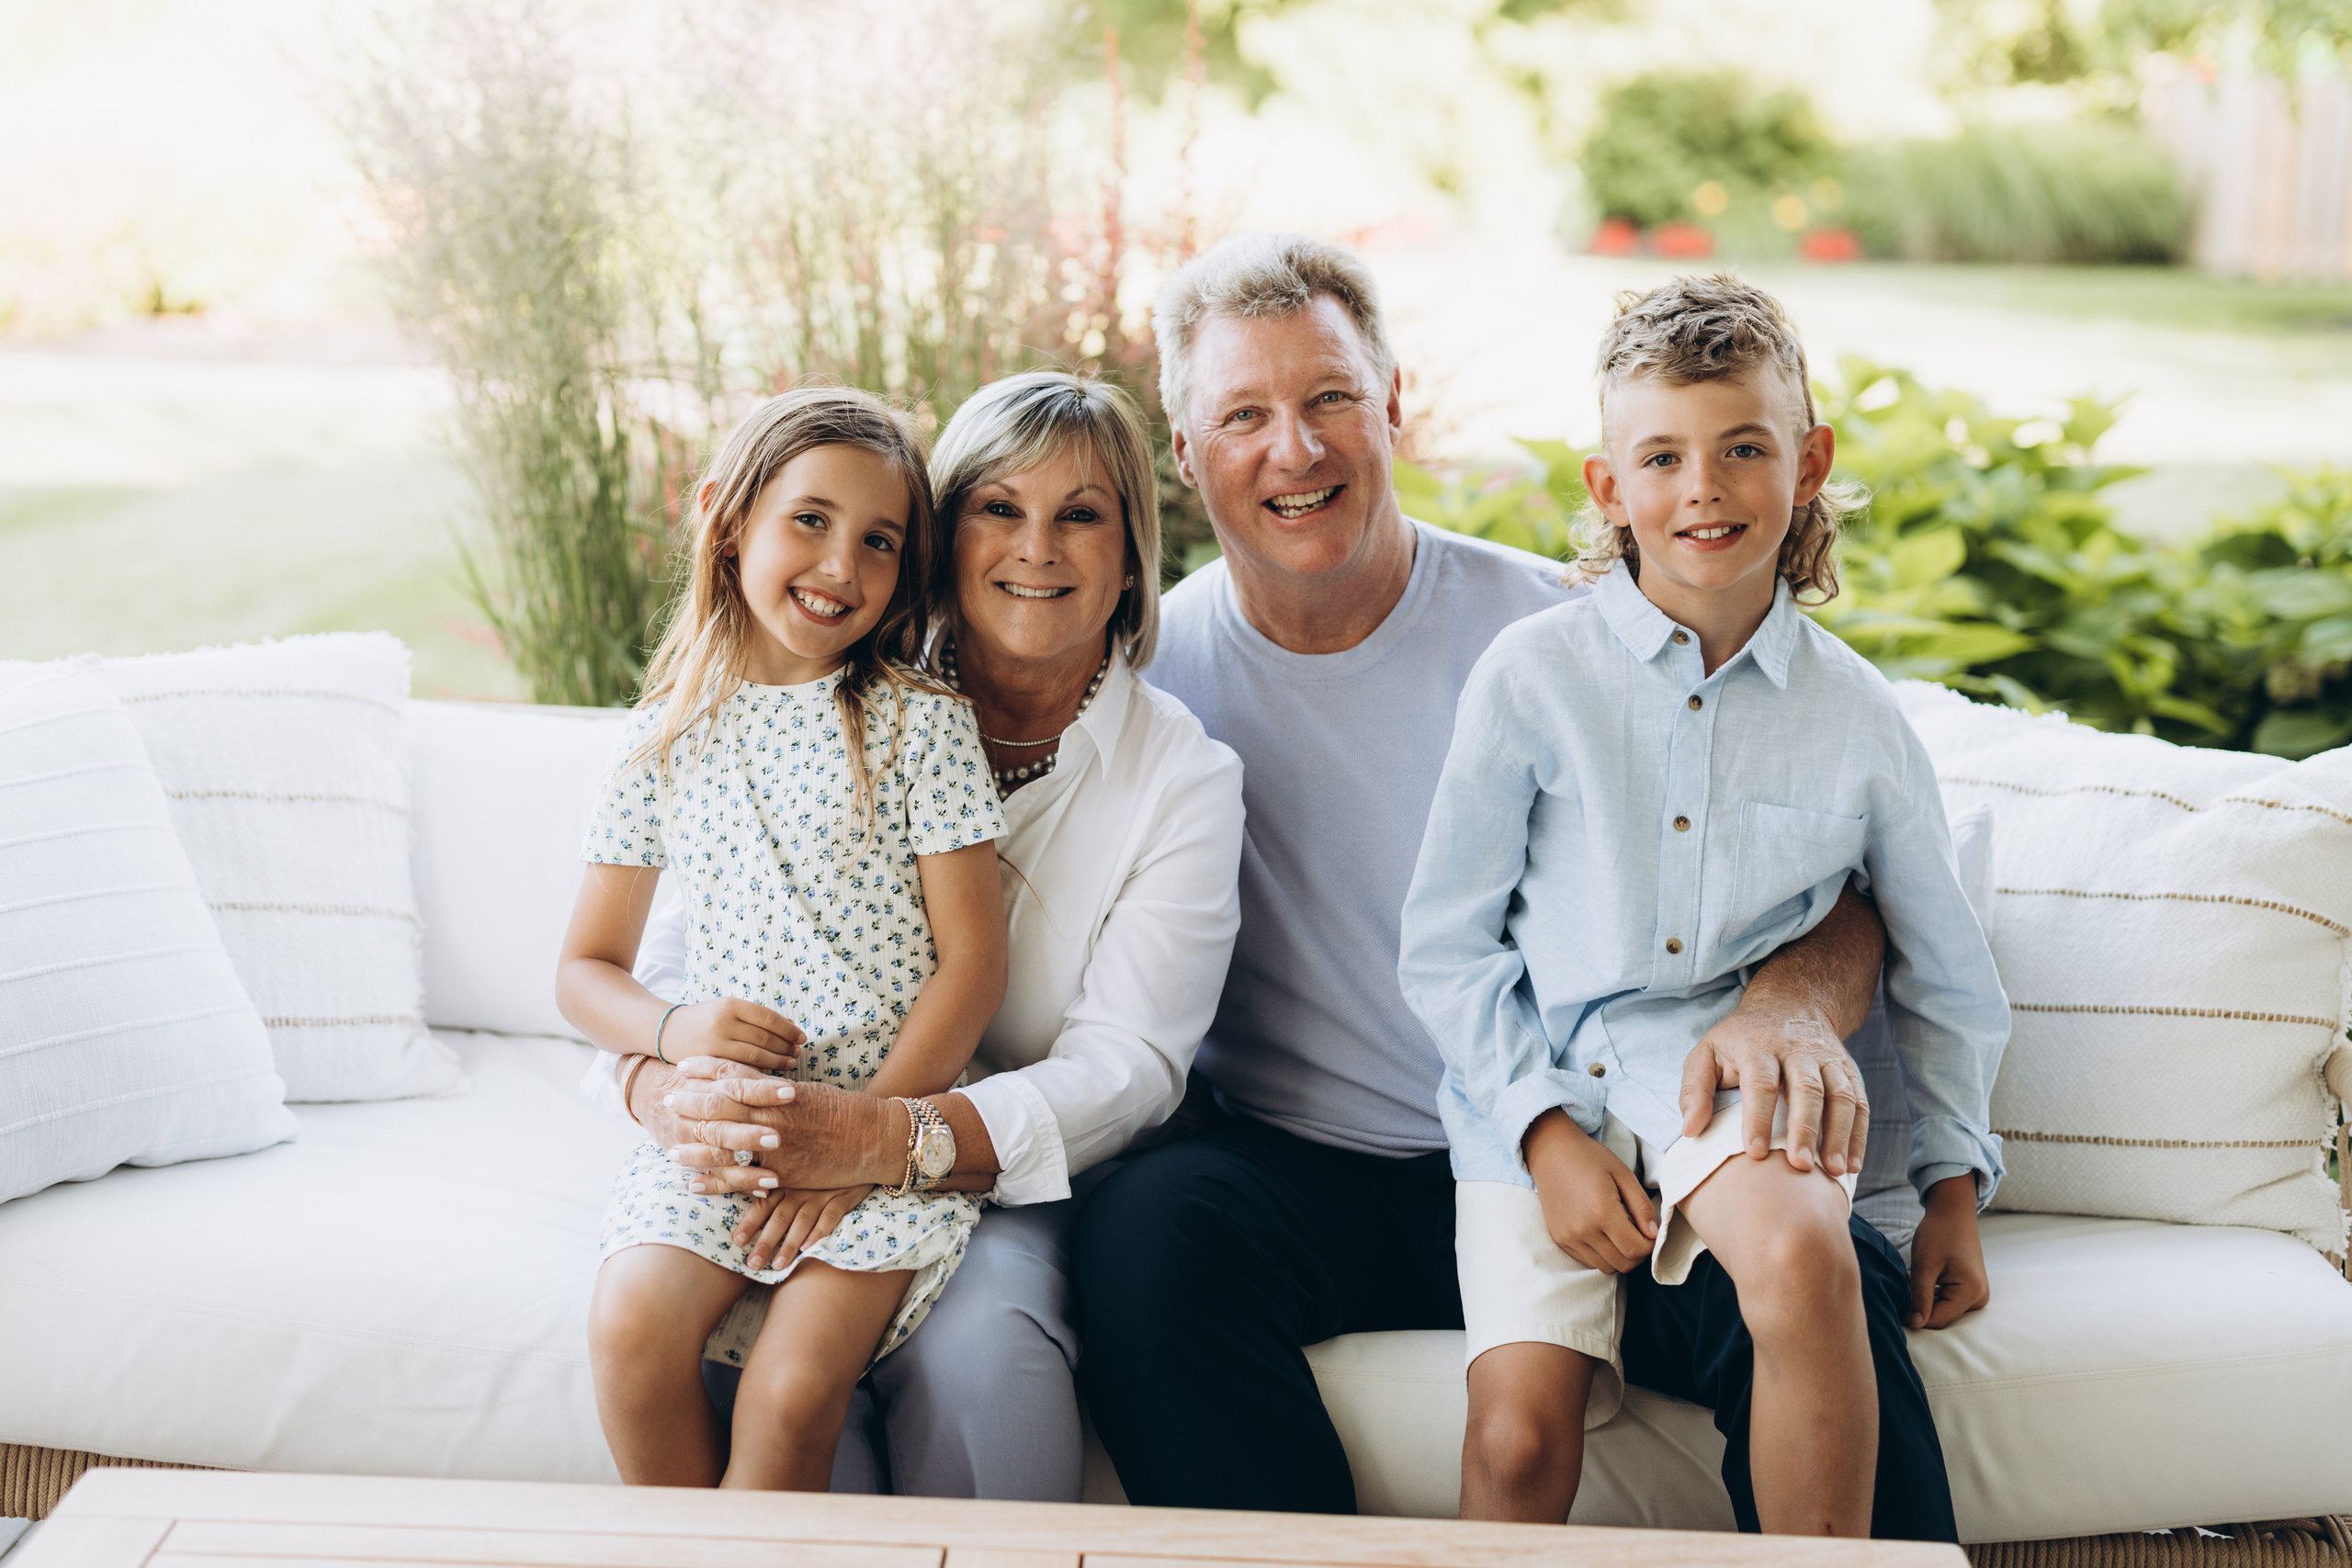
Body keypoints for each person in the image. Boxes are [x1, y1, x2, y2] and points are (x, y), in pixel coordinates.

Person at [1070, 232, 1920, 1523]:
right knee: (1145, 1234)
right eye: (1244, 415)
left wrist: (1789, 1003)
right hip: (1321, 1174)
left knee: (1822, 1275)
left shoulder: (1563, 638)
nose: (1294, 450)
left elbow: (1852, 885)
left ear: (1394, 402)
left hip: (1611, 1143)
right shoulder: (1147, 684)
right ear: (1185, 454)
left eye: (1331, 399)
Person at [1399, 275, 2006, 1538]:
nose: (1705, 489)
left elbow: (1943, 963)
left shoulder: (1855, 717)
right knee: (1517, 1439)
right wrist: (1541, 1133)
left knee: (1798, 1256)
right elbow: (1447, 946)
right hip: (1543, 1086)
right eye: (1662, 457)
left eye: (1744, 448)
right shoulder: (1532, 676)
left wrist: (1953, 1180)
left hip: (1717, 1075)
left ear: (1810, 459)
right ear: (1609, 487)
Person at [582, 370, 1246, 1500]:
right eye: (998, 508)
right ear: (945, 543)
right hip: (782, 1130)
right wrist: (664, 1089)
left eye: (1081, 516)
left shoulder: (1179, 777)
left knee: (976, 1357)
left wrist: (885, 1140)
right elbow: (670, 964)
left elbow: (1127, 1067)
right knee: (693, 1337)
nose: (1036, 548)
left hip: (1006, 1160)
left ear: (1131, 557)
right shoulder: (788, 702)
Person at [557, 387, 1010, 1490]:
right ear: (728, 518)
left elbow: (975, 965)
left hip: (879, 1136)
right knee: (626, 1336)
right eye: (808, 520)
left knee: (791, 1395)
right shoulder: (666, 733)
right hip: (721, 1131)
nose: (840, 566)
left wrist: (860, 1139)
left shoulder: (920, 722)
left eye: (879, 542)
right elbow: (583, 972)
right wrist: (673, 1028)